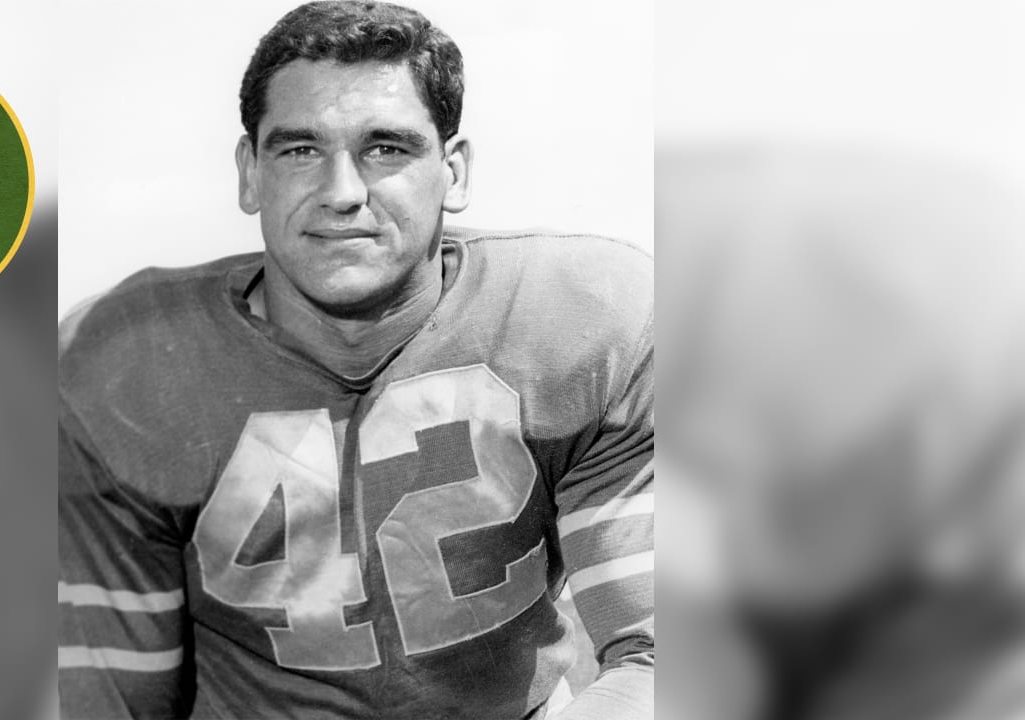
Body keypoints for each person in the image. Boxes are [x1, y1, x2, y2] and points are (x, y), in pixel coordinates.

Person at [57, 2, 653, 718]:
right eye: (300, 149)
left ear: (454, 172)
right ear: (250, 173)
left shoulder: (579, 324)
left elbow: (657, 657)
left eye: (386, 148)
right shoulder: (126, 367)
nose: (342, 194)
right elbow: (114, 703)